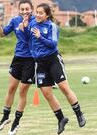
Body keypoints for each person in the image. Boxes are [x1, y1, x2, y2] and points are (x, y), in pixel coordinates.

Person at [21, 3, 86, 134]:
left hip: (53, 60)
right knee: (46, 93)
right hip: (39, 63)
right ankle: (61, 119)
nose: (38, 15)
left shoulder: (52, 26)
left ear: (47, 15)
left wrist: (40, 37)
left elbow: (53, 44)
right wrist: (25, 26)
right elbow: (27, 38)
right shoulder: (32, 23)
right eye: (37, 12)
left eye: (41, 13)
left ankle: (79, 114)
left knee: (64, 88)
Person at [0, 0, 35, 135]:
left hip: (31, 60)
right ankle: (5, 117)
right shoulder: (15, 20)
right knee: (11, 89)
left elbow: (33, 38)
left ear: (31, 9)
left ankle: (16, 122)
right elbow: (1, 34)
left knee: (22, 92)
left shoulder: (36, 21)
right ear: (19, 10)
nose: (24, 11)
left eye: (27, 9)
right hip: (18, 58)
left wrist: (26, 26)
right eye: (22, 9)